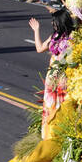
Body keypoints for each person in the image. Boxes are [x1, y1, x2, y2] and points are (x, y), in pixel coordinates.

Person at [29, 9, 75, 140]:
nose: (53, 25)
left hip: (64, 76)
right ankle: (48, 135)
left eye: (55, 22)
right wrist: (36, 30)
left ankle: (60, 134)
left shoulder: (73, 36)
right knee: (49, 105)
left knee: (62, 104)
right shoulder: (54, 36)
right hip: (52, 76)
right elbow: (39, 48)